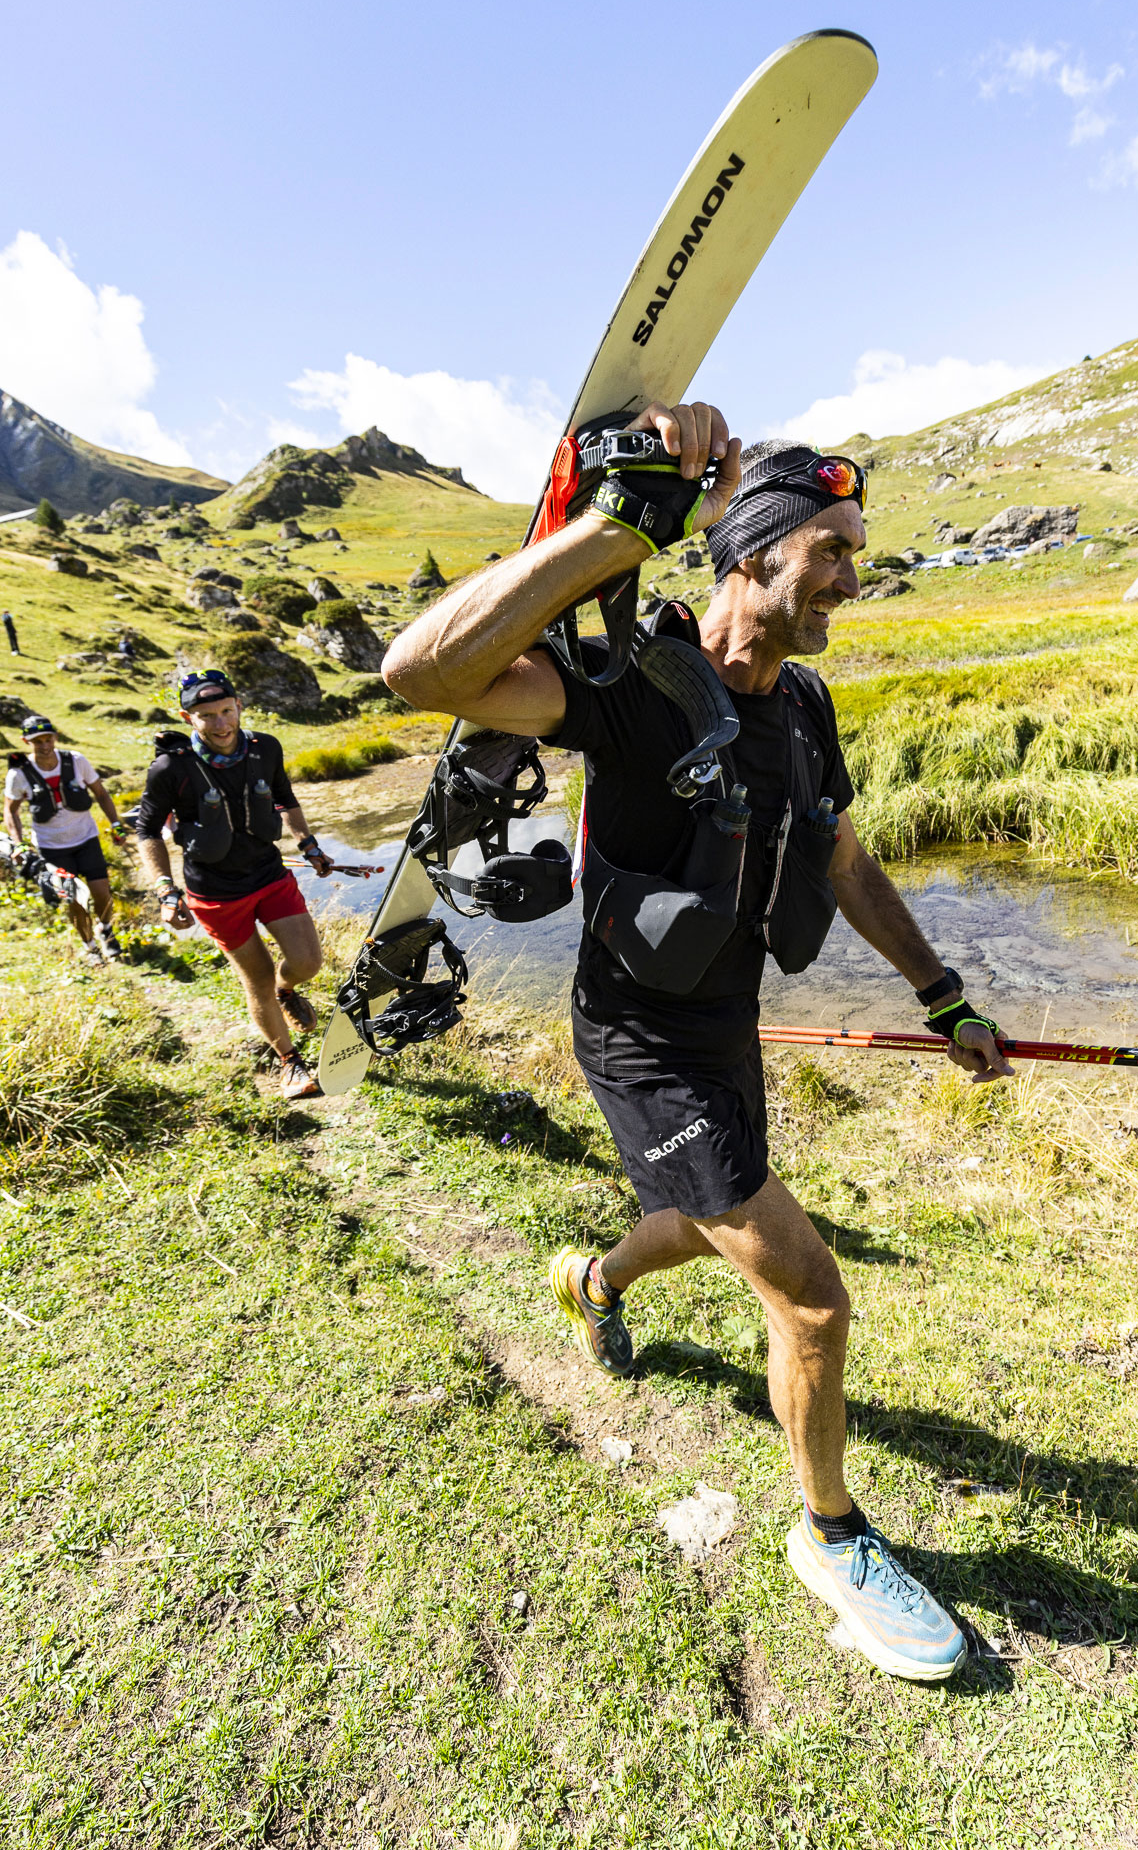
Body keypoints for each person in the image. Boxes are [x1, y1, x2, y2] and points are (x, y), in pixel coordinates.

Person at [383, 404, 1013, 1684]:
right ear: (752, 552)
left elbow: (837, 856)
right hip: (635, 1042)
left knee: (687, 1214)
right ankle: (830, 1537)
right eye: (829, 548)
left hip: (723, 1025)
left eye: (854, 549)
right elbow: (423, 675)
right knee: (810, 1296)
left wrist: (943, 993)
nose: (851, 574)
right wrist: (615, 527)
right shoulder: (629, 689)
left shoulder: (806, 704)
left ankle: (595, 1282)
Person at [134, 669, 336, 1101]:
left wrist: (310, 844)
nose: (222, 725)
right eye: (208, 716)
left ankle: (287, 990)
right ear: (189, 718)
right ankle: (289, 1063)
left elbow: (285, 798)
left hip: (269, 874)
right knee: (256, 978)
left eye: (227, 711)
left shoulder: (265, 748)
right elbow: (147, 831)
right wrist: (166, 891)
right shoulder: (171, 768)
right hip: (215, 893)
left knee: (307, 963)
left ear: (239, 705)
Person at [4, 714, 126, 960]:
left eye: (48, 739)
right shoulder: (19, 774)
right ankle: (90, 946)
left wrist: (116, 824)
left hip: (86, 839)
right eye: (38, 741)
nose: (45, 745)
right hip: (52, 848)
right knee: (74, 899)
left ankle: (107, 931)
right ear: (26, 741)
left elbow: (101, 793)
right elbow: (10, 811)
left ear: (55, 736)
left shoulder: (76, 761)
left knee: (101, 892)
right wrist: (20, 843)